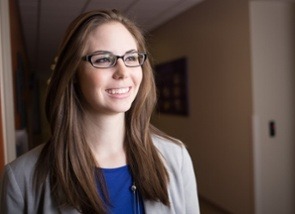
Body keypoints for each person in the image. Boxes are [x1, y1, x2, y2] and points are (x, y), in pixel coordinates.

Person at [0, 9, 199, 214]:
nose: (123, 72)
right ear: (74, 72)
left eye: (131, 57)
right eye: (104, 59)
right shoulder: (21, 179)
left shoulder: (177, 157)